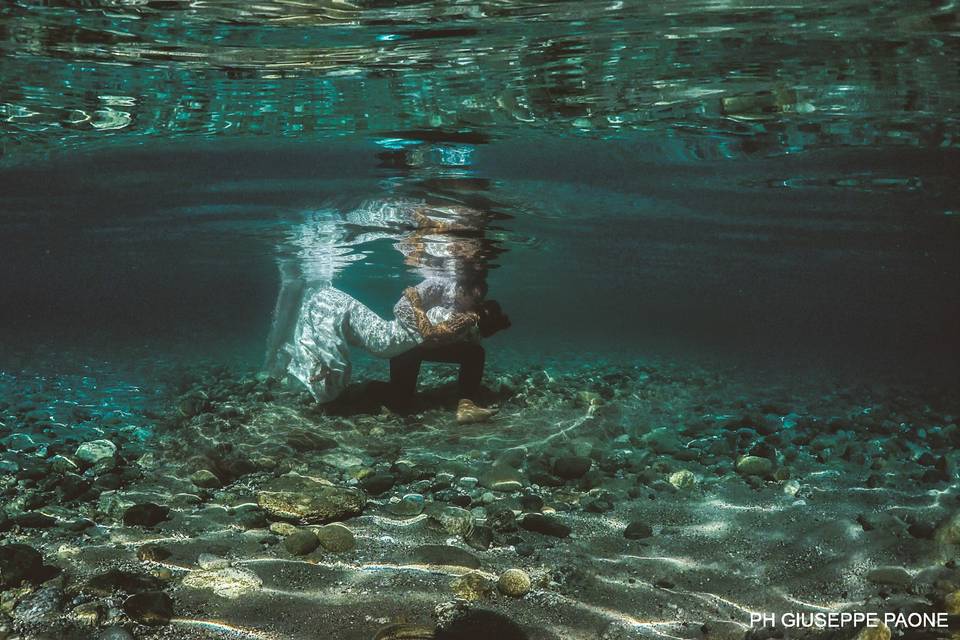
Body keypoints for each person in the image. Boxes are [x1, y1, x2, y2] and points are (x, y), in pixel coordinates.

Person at [283, 278, 480, 405]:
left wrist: (417, 304)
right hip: (386, 333)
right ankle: (320, 360)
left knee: (342, 308)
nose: (455, 298)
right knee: (340, 310)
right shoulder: (457, 318)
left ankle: (321, 363)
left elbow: (428, 334)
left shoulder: (456, 322)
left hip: (384, 341)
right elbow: (421, 327)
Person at [388, 299, 511, 422]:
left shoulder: (470, 324)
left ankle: (466, 404)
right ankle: (372, 390)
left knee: (401, 400)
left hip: (405, 347)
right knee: (399, 401)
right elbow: (428, 337)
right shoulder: (456, 317)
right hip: (405, 348)